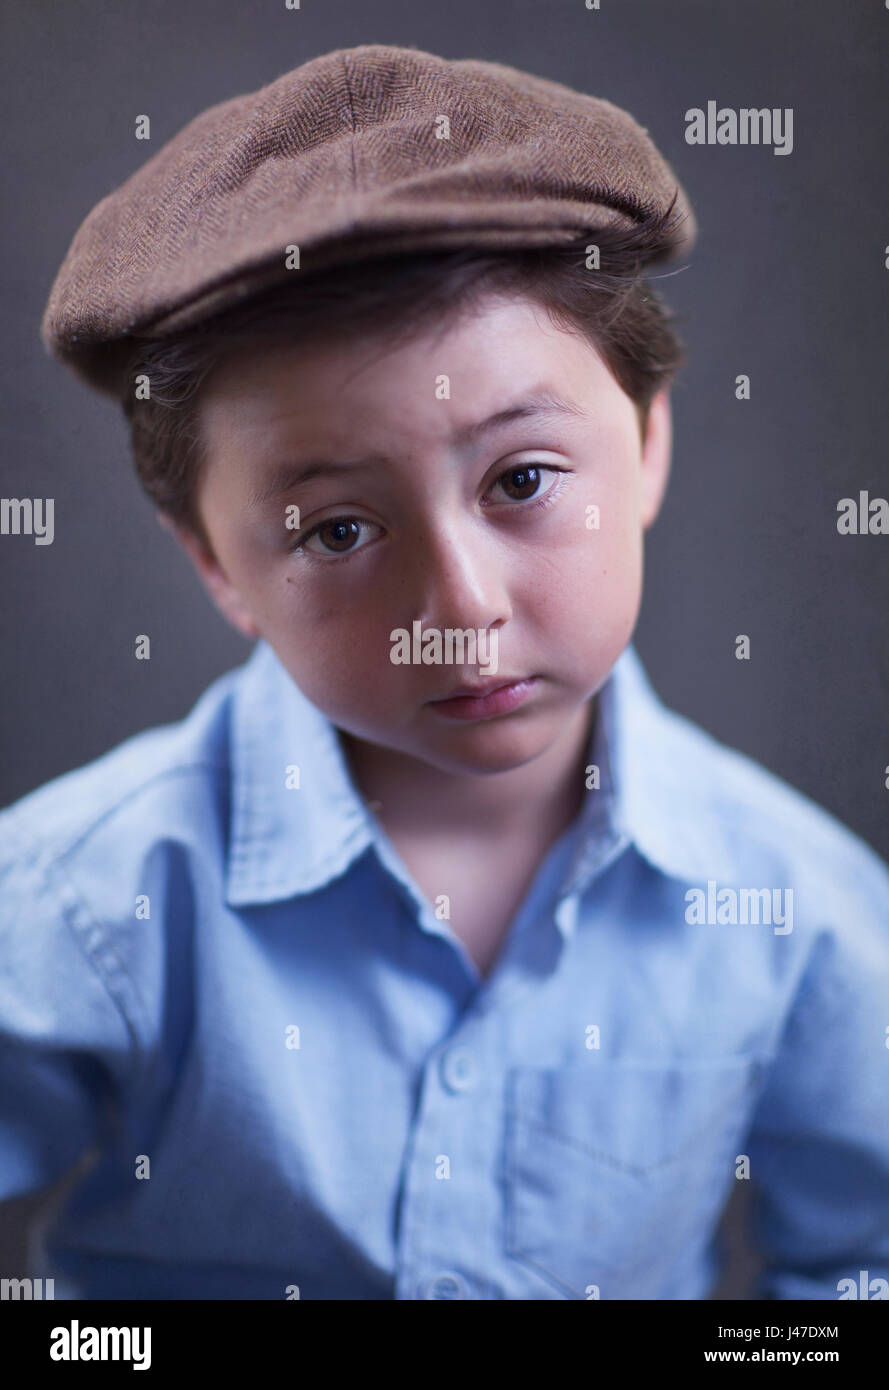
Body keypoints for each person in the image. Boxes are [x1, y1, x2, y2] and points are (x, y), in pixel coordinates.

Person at [2, 43, 887, 1301]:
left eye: (522, 480)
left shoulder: (793, 906)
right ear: (216, 565)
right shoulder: (88, 899)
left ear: (644, 446)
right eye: (337, 530)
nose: (461, 609)